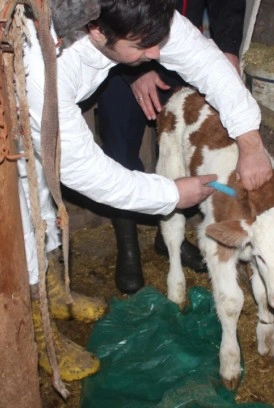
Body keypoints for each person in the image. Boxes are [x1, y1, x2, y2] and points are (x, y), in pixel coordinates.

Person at [19, 0, 273, 382]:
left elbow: (207, 63)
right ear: (96, 31)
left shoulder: (141, 17)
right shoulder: (41, 69)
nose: (156, 55)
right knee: (21, 201)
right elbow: (81, 168)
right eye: (142, 47)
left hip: (66, 83)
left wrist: (251, 143)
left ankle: (54, 291)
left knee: (39, 186)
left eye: (157, 40)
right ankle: (36, 332)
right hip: (1, 105)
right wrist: (170, 195)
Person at [96, 0, 246, 294]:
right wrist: (134, 72)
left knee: (178, 145)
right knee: (120, 148)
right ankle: (128, 248)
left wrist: (227, 49)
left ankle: (167, 237)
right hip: (122, 55)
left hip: (178, 44)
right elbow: (111, 14)